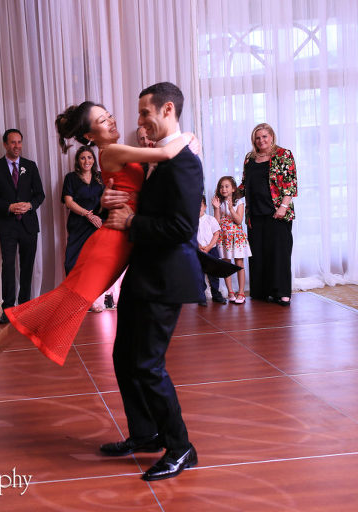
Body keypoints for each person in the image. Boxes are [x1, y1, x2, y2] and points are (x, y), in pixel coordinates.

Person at [0, 100, 193, 369]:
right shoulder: (111, 151)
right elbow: (167, 153)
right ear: (90, 135)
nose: (111, 121)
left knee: (69, 300)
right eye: (102, 120)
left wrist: (122, 197)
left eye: (109, 115)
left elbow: (145, 179)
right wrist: (189, 136)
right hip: (111, 243)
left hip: (126, 237)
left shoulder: (116, 151)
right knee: (67, 299)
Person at [99, 82, 203, 481]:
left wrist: (132, 221)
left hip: (165, 279)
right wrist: (114, 204)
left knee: (147, 364)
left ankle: (180, 447)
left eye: (145, 112)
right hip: (141, 274)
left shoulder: (185, 162)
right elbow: (140, 205)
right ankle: (145, 434)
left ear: (167, 110)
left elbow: (182, 227)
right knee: (123, 357)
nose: (140, 120)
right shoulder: (157, 157)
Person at [0, 129, 45, 324]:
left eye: (19, 142)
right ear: (5, 144)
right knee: (8, 266)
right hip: (7, 225)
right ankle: (8, 309)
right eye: (12, 142)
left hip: (28, 226)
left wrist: (30, 205)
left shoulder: (30, 166)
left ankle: (25, 307)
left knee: (27, 267)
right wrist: (8, 207)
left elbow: (40, 194)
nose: (17, 146)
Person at [240, 123, 297, 306]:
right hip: (255, 214)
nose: (261, 140)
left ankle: (282, 293)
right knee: (258, 254)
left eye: (264, 136)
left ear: (271, 136)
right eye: (257, 138)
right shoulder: (249, 158)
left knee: (279, 254)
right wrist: (229, 193)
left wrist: (283, 207)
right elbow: (244, 184)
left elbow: (290, 183)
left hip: (277, 213)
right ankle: (261, 292)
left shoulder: (283, 154)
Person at [61, 145, 105, 312]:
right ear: (78, 161)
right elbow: (68, 202)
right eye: (83, 158)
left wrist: (100, 218)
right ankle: (74, 300)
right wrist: (87, 214)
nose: (87, 161)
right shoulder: (71, 178)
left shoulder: (100, 177)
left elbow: (105, 199)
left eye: (89, 157)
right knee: (71, 263)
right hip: (78, 225)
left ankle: (90, 300)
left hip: (97, 225)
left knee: (92, 265)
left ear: (94, 160)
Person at [212, 176, 251, 304]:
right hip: (224, 238)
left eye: (227, 186)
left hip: (236, 237)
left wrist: (230, 208)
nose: (223, 189)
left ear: (233, 188)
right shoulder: (219, 202)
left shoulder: (239, 202)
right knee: (226, 264)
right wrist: (216, 208)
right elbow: (216, 222)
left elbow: (239, 221)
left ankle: (241, 292)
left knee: (239, 264)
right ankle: (230, 292)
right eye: (221, 186)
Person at [197, 196, 227, 305]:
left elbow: (216, 234)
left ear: (205, 206)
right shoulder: (192, 222)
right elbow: (192, 235)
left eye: (200, 205)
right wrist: (199, 246)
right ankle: (201, 296)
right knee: (199, 274)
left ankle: (216, 294)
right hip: (198, 250)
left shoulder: (211, 219)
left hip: (211, 250)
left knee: (213, 274)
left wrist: (209, 246)